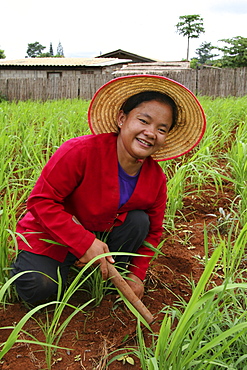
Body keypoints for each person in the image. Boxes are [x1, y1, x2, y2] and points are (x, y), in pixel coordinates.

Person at [11, 74, 206, 304]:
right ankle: (67, 264)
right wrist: (83, 243)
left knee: (139, 221)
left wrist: (136, 275)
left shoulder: (156, 179)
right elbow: (41, 202)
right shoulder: (80, 152)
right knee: (38, 287)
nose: (151, 133)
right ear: (122, 118)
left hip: (100, 234)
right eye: (144, 121)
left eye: (161, 129)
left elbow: (153, 233)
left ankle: (100, 272)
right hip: (53, 233)